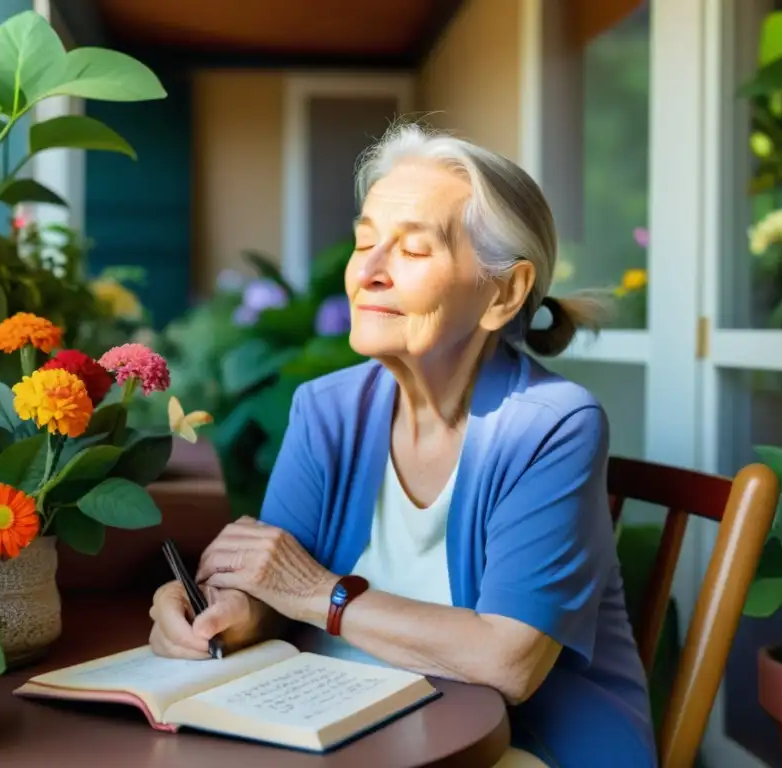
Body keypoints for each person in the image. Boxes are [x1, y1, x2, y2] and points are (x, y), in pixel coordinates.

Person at [148, 122, 656, 767]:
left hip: (524, 746)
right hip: (347, 729)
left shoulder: (552, 425)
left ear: (503, 293)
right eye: (365, 243)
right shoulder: (326, 410)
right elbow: (271, 590)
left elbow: (509, 660)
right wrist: (218, 615)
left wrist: (317, 594)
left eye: (413, 252)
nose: (369, 273)